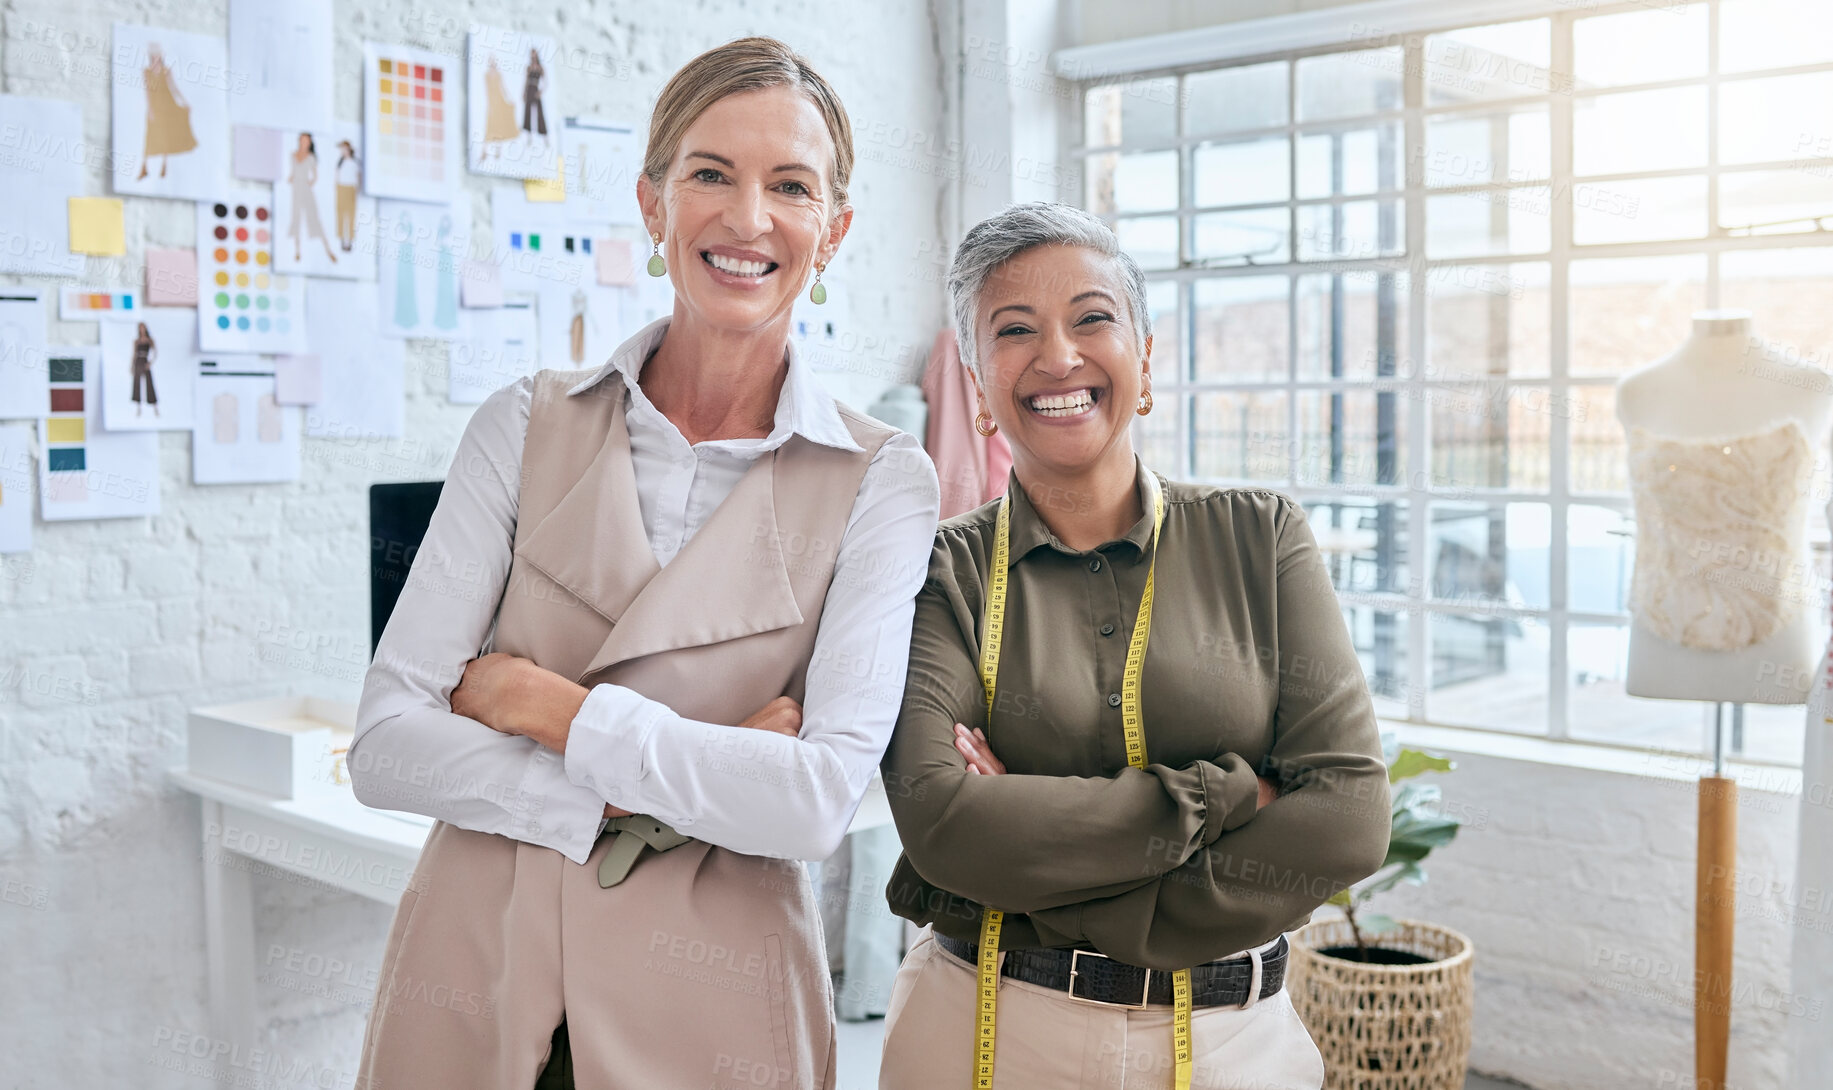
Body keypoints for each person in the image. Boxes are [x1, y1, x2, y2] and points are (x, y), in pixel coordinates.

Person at [348, 37, 940, 1090]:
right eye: (711, 172)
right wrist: (635, 798)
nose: (749, 218)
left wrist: (544, 707)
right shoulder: (523, 424)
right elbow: (387, 746)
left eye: (791, 187)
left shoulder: (881, 481)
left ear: (834, 230)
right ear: (653, 202)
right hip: (475, 962)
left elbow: (813, 803)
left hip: (713, 999)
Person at [877, 202, 1391, 1089]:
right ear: (977, 383)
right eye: (1014, 330)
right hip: (984, 1033)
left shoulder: (1259, 540)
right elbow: (945, 828)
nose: (1058, 356)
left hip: (1235, 1049)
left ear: (1144, 359)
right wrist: (1231, 792)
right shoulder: (940, 572)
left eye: (1091, 318)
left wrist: (1043, 869)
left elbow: (1347, 819)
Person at [137, 42, 196, 180]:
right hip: (156, 106)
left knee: (166, 136)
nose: (156, 58)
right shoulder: (147, 72)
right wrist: (150, 109)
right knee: (151, 135)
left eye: (158, 55)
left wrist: (185, 102)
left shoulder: (166, 71)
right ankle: (144, 167)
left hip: (168, 105)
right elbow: (148, 91)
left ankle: (164, 166)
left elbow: (174, 88)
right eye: (154, 55)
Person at [288, 132, 336, 264]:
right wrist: (291, 179)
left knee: (315, 219)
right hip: (296, 190)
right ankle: (297, 252)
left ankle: (328, 250)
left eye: (306, 140)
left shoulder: (311, 157)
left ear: (309, 143)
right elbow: (292, 172)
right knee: (296, 219)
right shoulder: (293, 155)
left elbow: (315, 176)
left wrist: (309, 182)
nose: (304, 142)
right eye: (302, 140)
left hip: (306, 190)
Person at [334, 140, 361, 252]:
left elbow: (358, 177)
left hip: (350, 189)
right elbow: (336, 176)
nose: (342, 151)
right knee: (340, 215)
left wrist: (356, 191)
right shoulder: (340, 163)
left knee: (350, 216)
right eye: (341, 149)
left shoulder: (354, 163)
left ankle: (349, 241)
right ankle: (341, 239)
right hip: (341, 188)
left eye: (344, 149)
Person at [130, 322, 158, 417]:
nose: (142, 329)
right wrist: (132, 366)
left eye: (143, 327)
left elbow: (155, 353)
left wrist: (150, 362)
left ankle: (155, 406)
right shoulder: (137, 341)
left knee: (149, 383)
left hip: (145, 361)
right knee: (137, 384)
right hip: (138, 361)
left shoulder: (150, 341)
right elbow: (134, 354)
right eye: (140, 328)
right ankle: (138, 408)